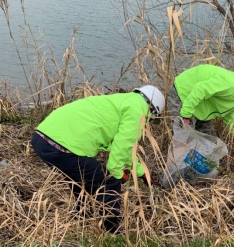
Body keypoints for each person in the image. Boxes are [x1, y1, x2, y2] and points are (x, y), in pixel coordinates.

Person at [30, 85, 165, 233]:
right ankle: (111, 229)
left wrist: (141, 172)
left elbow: (123, 148)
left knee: (81, 177)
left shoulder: (123, 101)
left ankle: (82, 214)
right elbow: (122, 147)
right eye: (152, 119)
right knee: (107, 181)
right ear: (153, 110)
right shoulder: (138, 111)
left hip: (41, 139)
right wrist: (117, 174)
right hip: (60, 145)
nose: (148, 123)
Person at [167, 64, 234, 147]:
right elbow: (200, 89)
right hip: (182, 94)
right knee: (185, 141)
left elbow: (228, 114)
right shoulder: (231, 84)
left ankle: (203, 171)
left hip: (197, 104)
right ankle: (178, 173)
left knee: (210, 142)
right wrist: (186, 115)